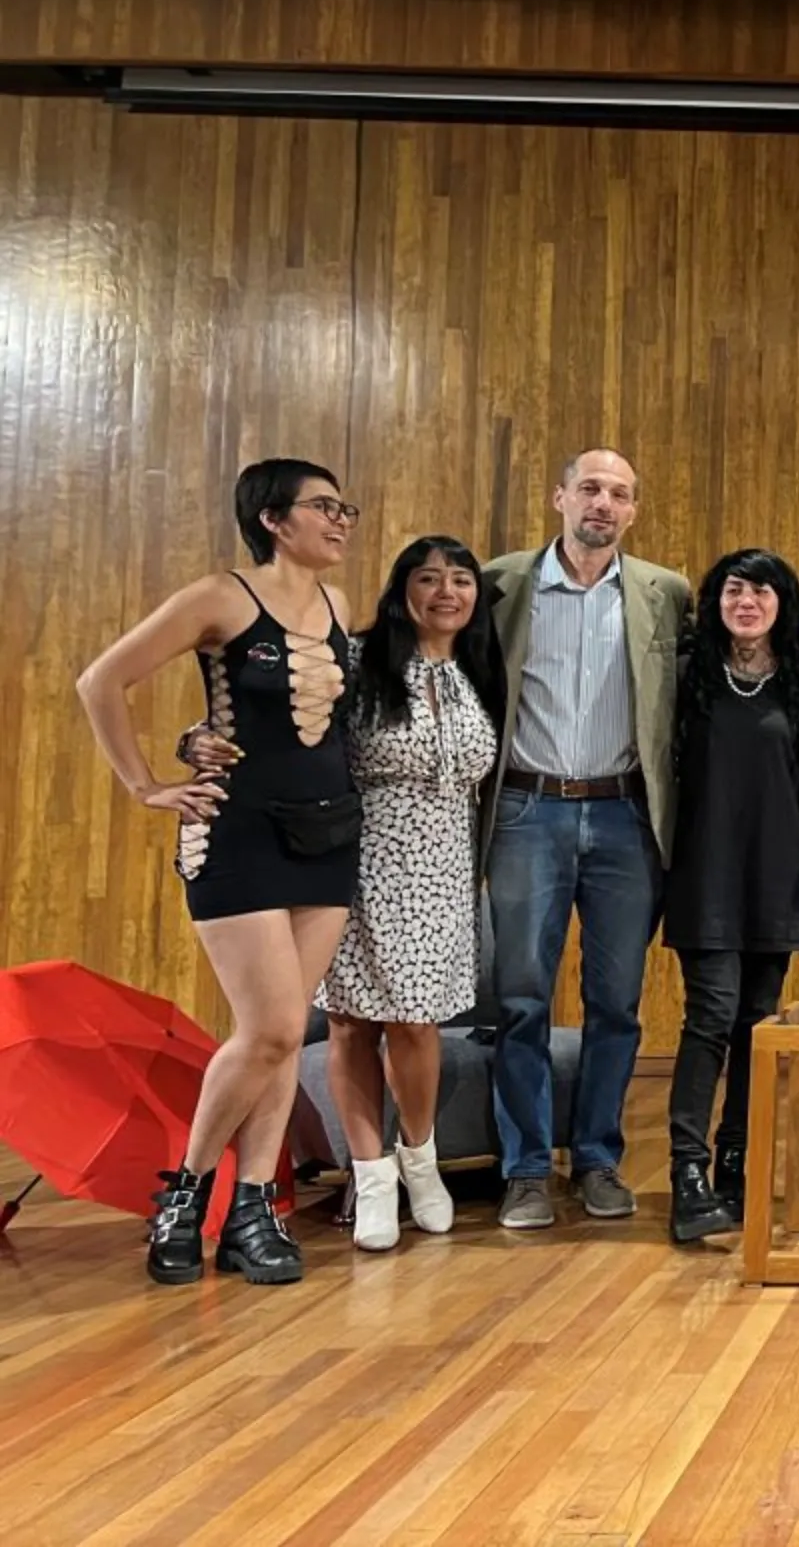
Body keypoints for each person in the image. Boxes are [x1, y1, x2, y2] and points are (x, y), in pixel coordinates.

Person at [77, 458, 361, 1286]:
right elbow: (101, 680)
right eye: (323, 507)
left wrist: (191, 735)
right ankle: (187, 1194)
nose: (340, 520)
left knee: (277, 1039)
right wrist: (148, 781)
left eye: (345, 507)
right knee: (271, 1028)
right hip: (235, 832)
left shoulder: (340, 606)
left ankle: (253, 1216)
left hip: (328, 837)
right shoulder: (221, 598)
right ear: (274, 519)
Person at [193, 536, 504, 1252]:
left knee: (417, 1023)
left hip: (445, 868)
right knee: (352, 1024)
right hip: (353, 861)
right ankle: (371, 1177)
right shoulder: (355, 663)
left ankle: (421, 1163)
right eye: (429, 579)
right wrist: (195, 741)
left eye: (460, 580)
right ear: (402, 591)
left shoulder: (482, 670)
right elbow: (270, 722)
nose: (446, 592)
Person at [484, 450, 693, 1230]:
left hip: (623, 818)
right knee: (520, 997)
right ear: (559, 497)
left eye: (620, 494)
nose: (603, 504)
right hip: (526, 811)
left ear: (633, 511)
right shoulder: (501, 584)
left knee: (616, 1001)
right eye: (591, 489)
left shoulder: (665, 594)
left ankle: (599, 1158)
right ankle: (527, 1170)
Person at [660, 549, 799, 1244]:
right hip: (705, 869)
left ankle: (738, 1159)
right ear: (715, 600)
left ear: (783, 603)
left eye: (762, 590)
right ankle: (687, 1171)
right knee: (712, 1013)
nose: (748, 601)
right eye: (734, 589)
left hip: (779, 870)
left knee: (757, 1020)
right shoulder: (687, 674)